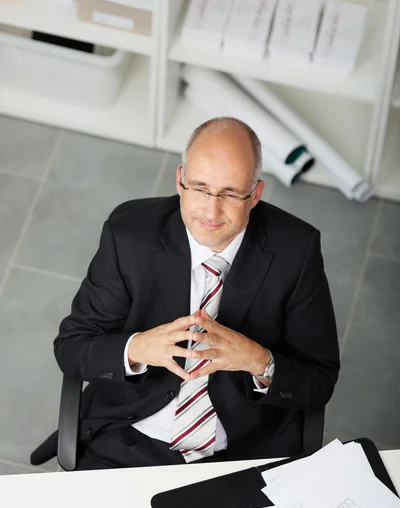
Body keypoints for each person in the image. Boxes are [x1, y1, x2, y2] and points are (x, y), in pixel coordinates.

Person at [54, 117, 340, 470]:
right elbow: (72, 347)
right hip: (128, 438)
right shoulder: (128, 237)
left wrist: (258, 360)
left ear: (255, 195)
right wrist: (137, 348)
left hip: (242, 454)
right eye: (200, 188)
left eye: (230, 193)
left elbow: (319, 380)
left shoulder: (297, 251)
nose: (211, 210)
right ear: (179, 181)